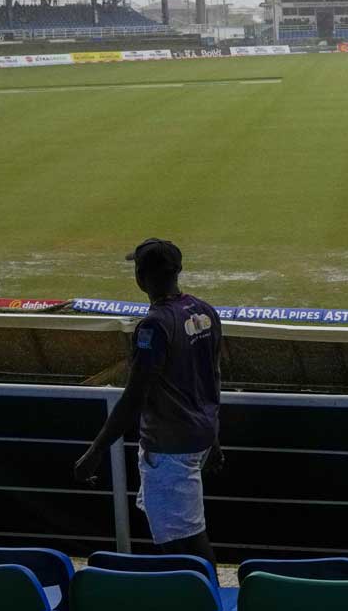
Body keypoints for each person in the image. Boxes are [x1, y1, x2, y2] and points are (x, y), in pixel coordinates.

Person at [74, 238, 224, 565]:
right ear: (178, 270)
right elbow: (213, 379)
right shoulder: (205, 311)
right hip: (197, 440)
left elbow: (134, 396)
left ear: (141, 278)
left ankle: (203, 597)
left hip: (171, 448)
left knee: (184, 543)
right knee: (185, 535)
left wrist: (96, 450)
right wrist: (213, 437)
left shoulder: (155, 326)